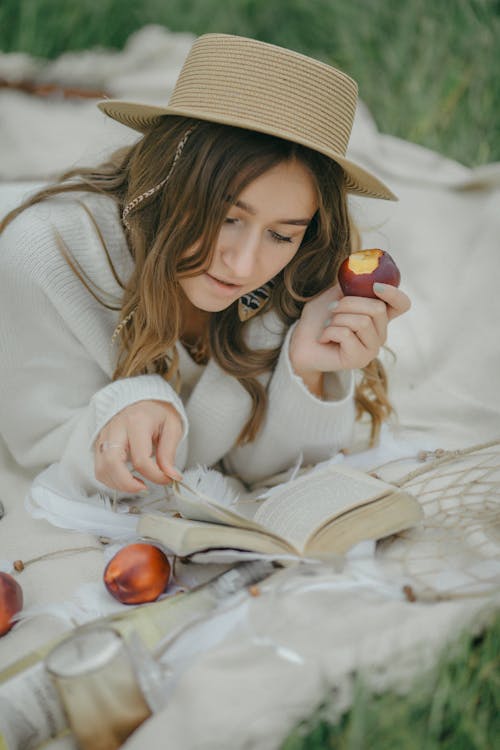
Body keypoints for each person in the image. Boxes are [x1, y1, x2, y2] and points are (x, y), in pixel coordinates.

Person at [0, 33, 410, 500]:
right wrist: (127, 403)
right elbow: (35, 449)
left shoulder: (293, 275)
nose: (243, 263)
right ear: (166, 181)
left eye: (281, 233)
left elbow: (257, 470)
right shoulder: (43, 255)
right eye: (225, 217)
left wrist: (306, 369)